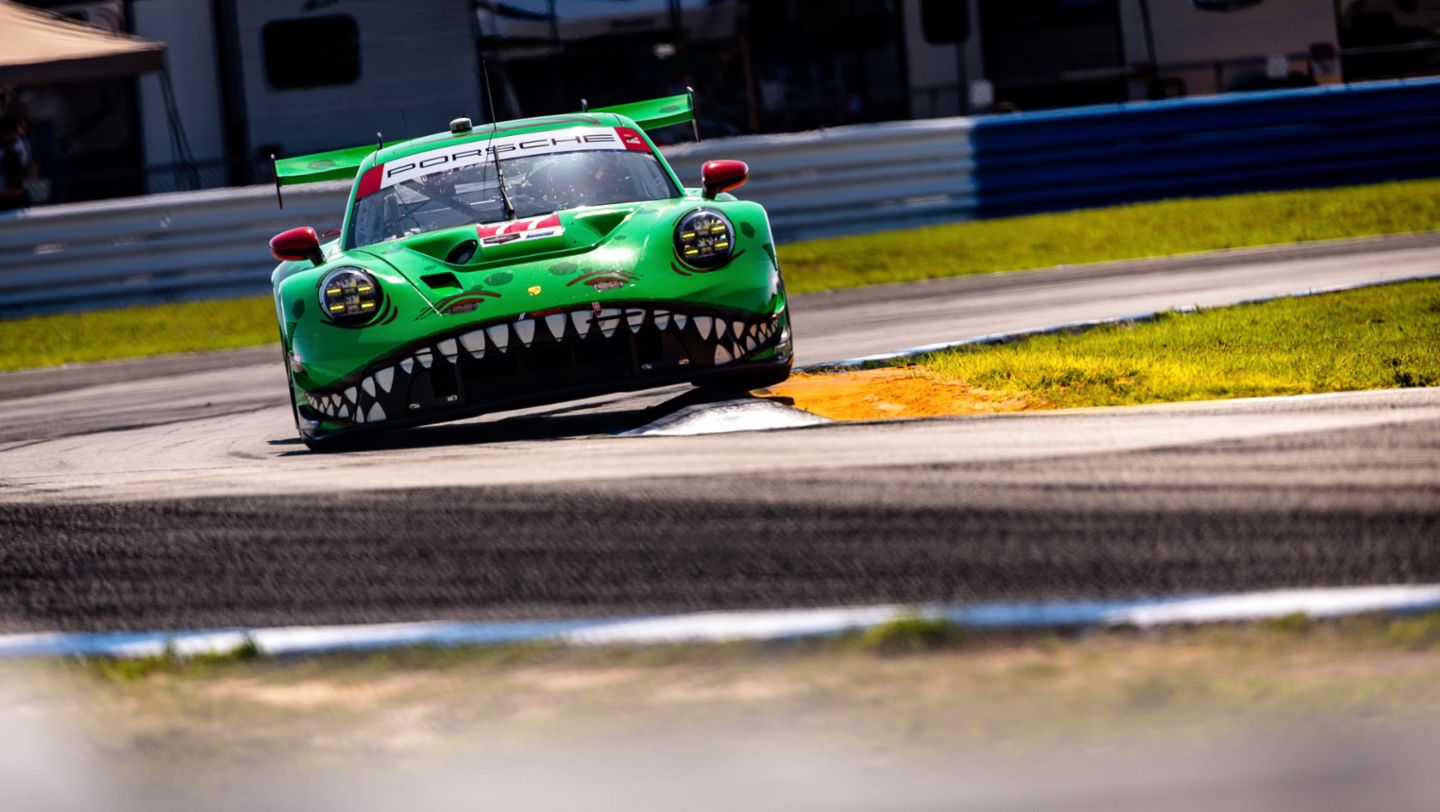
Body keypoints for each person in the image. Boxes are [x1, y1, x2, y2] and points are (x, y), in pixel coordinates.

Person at [0, 115, 33, 211]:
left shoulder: (22, 143)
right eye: (7, 137)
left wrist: (22, 188)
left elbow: (29, 168)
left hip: (20, 193)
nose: (12, 140)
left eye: (14, 136)